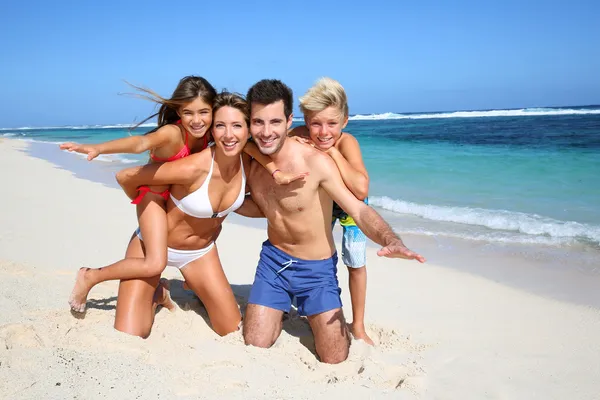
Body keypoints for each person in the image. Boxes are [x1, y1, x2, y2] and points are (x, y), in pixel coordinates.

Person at [63, 79, 303, 313]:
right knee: (154, 263)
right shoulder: (173, 134)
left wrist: (280, 164)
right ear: (179, 111)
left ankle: (163, 292)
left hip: (193, 238)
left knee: (228, 323)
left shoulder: (213, 135)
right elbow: (140, 145)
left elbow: (248, 146)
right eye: (188, 112)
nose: (197, 120)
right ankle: (91, 275)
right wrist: (101, 151)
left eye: (204, 113)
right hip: (153, 195)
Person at [236, 79, 425, 364]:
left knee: (334, 356)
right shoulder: (250, 159)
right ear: (249, 123)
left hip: (316, 272)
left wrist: (391, 240)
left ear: (289, 121)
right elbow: (260, 206)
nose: (266, 132)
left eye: (275, 121)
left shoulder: (317, 160)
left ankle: (341, 320)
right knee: (254, 342)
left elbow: (358, 208)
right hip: (273, 263)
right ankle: (281, 307)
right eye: (257, 122)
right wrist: (216, 206)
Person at [112, 92, 261, 338]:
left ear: (248, 129)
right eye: (220, 126)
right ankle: (153, 294)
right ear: (212, 131)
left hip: (200, 254)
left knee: (231, 329)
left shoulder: (251, 166)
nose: (228, 134)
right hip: (152, 247)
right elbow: (126, 176)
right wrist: (147, 204)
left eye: (237, 125)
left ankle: (162, 292)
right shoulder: (193, 167)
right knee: (132, 333)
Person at [290, 77, 374, 345]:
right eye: (315, 123)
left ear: (345, 121)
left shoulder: (346, 142)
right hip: (321, 203)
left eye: (332, 124)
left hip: (351, 206)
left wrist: (334, 154)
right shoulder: (299, 135)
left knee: (356, 263)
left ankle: (358, 325)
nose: (324, 131)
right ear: (305, 121)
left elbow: (360, 189)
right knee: (309, 254)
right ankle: (307, 306)